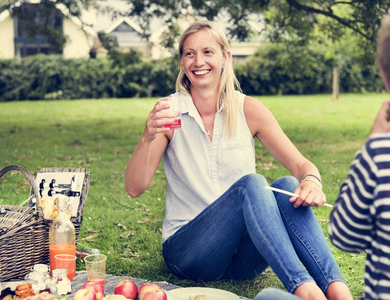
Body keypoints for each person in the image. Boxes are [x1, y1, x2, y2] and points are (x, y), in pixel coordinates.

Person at [125, 19, 352, 300]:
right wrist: (147, 137)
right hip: (189, 252)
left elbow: (302, 165)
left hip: (242, 259)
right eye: (189, 53)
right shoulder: (169, 112)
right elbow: (135, 188)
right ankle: (307, 292)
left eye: (208, 52)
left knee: (287, 183)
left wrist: (312, 181)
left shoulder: (248, 109)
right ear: (182, 63)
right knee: (252, 184)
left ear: (225, 57)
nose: (199, 61)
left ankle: (337, 290)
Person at [329, 15, 390, 300]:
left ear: (382, 71)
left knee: (269, 297)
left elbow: (344, 236)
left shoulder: (379, 155)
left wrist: (372, 141)